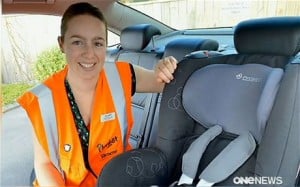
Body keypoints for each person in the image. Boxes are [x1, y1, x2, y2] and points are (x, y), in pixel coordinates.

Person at [17, 2, 177, 187]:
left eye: (98, 43)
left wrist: (166, 67)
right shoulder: (42, 99)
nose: (89, 53)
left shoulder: (121, 74)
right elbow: (44, 164)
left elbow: (162, 82)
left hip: (117, 180)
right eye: (78, 42)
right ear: (62, 44)